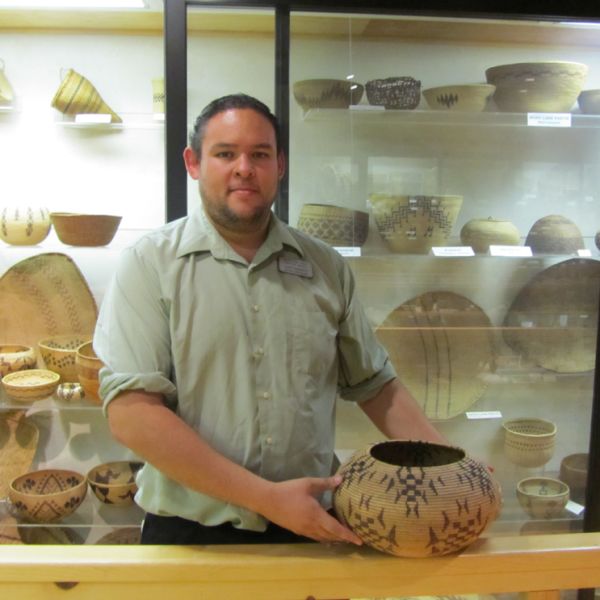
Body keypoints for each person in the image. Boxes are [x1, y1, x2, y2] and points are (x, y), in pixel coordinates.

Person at [94, 93, 446, 546]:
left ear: (279, 165)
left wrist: (449, 462)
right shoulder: (150, 265)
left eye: (259, 154)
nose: (244, 168)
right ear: (193, 162)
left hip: (307, 523)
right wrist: (265, 497)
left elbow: (376, 385)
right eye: (225, 154)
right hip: (190, 534)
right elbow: (133, 415)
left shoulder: (326, 267)